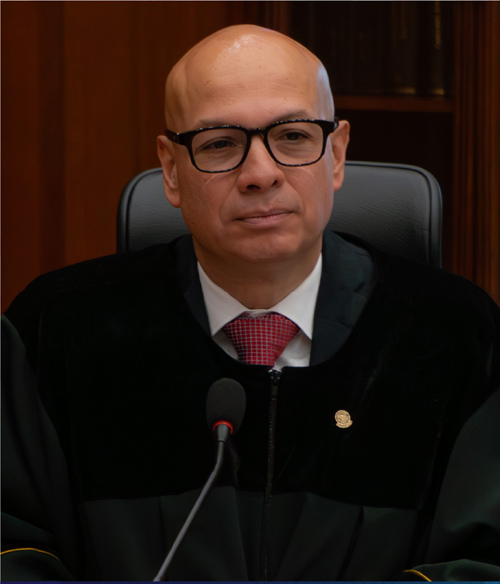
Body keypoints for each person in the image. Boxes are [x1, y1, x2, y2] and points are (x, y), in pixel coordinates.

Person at [2, 24, 500, 582]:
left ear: (336, 155)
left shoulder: (458, 338)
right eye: (220, 143)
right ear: (171, 169)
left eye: (293, 136)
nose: (261, 174)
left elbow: (484, 564)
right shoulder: (56, 332)